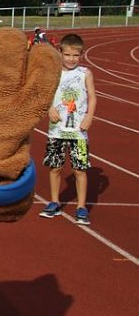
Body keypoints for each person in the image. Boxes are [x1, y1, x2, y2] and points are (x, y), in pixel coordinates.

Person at [39, 33, 96, 225]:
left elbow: (93, 97)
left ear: (81, 55)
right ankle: (54, 202)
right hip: (56, 130)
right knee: (55, 167)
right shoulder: (54, 73)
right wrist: (50, 108)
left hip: (78, 131)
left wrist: (89, 116)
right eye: (68, 55)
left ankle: (81, 207)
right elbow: (44, 94)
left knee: (80, 169)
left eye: (76, 55)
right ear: (60, 52)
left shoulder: (85, 73)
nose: (71, 59)